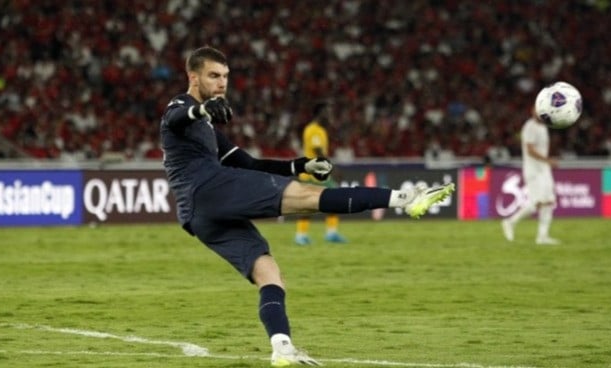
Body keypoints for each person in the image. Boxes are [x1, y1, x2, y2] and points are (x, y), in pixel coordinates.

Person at [160, 46, 455, 367]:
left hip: (198, 215)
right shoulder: (182, 105)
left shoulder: (209, 130)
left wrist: (302, 165)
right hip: (208, 190)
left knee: (269, 272)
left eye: (226, 77)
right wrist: (201, 111)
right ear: (193, 76)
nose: (222, 83)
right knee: (308, 198)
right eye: (213, 76)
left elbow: (251, 164)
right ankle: (407, 199)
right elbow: (176, 119)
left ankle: (282, 347)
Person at [501, 108, 559, 245]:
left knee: (549, 201)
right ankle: (510, 222)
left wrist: (546, 163)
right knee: (536, 204)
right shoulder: (529, 127)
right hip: (533, 170)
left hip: (544, 169)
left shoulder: (544, 126)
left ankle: (542, 237)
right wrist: (548, 160)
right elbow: (530, 150)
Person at [294, 101, 346, 245]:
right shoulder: (313, 130)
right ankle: (301, 235)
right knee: (308, 205)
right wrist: (333, 168)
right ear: (321, 113)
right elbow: (318, 152)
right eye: (327, 112)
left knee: (335, 200)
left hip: (321, 173)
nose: (329, 115)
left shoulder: (321, 130)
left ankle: (331, 232)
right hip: (311, 174)